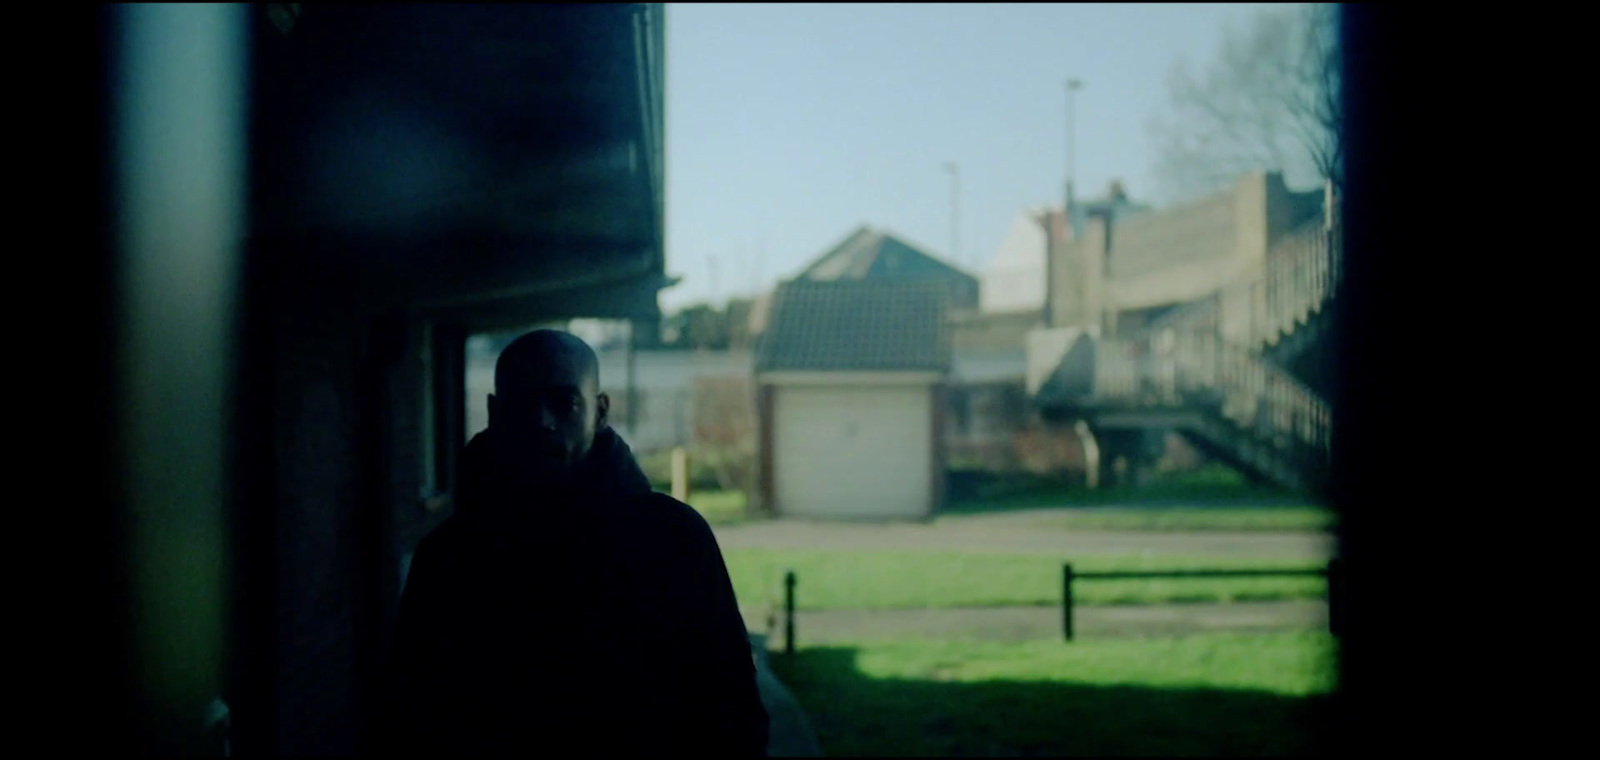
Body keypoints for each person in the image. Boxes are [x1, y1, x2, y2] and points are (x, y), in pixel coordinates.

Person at [380, 329, 769, 756]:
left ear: (600, 411)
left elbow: (732, 713)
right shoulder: (448, 560)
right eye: (522, 403)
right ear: (495, 411)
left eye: (564, 403)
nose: (541, 422)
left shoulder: (674, 540)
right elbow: (411, 720)